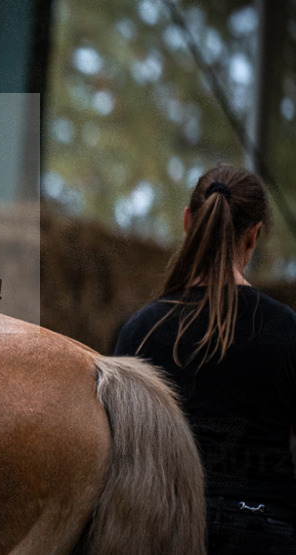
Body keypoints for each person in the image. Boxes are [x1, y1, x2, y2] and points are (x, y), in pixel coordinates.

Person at [114, 164, 296, 554]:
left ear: (187, 221)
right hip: (265, 532)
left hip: (168, 532)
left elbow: (119, 459)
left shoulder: (140, 331)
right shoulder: (286, 329)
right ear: (254, 235)